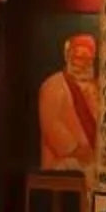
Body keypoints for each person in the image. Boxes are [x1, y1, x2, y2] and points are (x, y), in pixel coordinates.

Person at [38, 32, 99, 172]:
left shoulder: (97, 86)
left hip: (94, 157)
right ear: (68, 57)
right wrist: (77, 150)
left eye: (88, 59)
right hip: (64, 159)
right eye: (79, 58)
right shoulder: (53, 85)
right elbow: (51, 125)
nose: (84, 64)